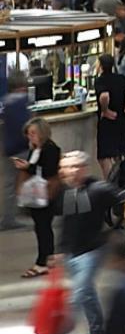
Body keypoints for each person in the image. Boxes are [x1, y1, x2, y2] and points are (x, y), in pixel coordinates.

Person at [16, 118, 61, 276]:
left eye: (33, 133)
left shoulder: (50, 149)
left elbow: (49, 170)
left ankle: (43, 261)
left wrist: (29, 167)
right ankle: (46, 258)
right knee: (40, 227)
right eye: (29, 134)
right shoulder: (35, 149)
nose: (31, 137)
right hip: (36, 195)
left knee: (44, 227)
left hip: (46, 193)